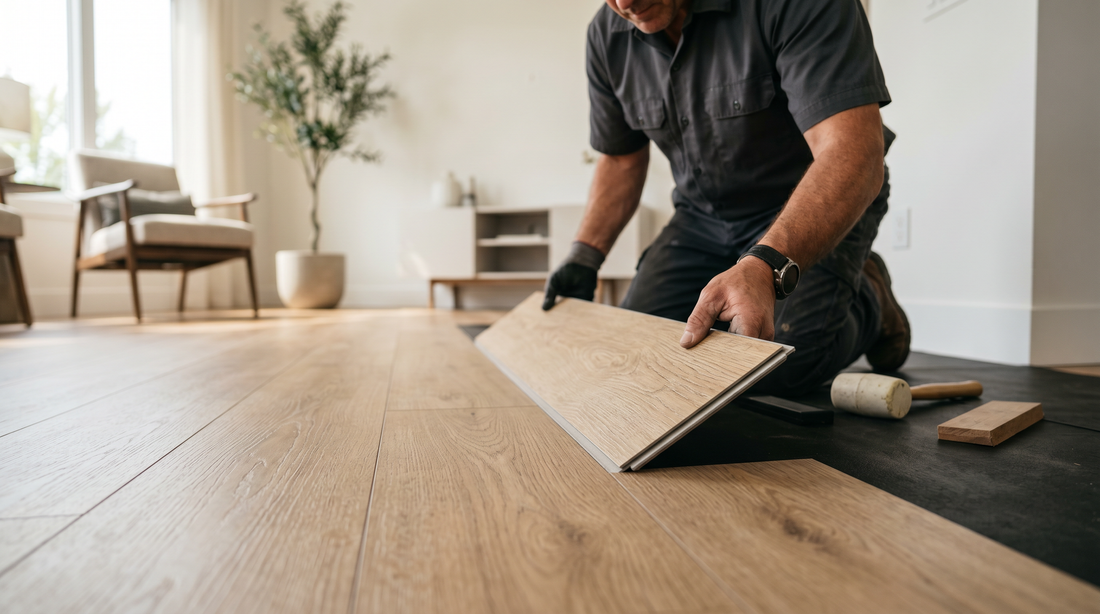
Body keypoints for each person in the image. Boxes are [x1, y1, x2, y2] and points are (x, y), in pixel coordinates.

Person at [542, 0, 911, 395]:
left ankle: (871, 297)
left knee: (775, 365)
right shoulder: (606, 36)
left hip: (805, 208)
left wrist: (766, 263)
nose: (625, 3)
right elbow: (620, 159)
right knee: (646, 352)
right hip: (701, 218)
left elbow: (854, 151)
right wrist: (585, 254)